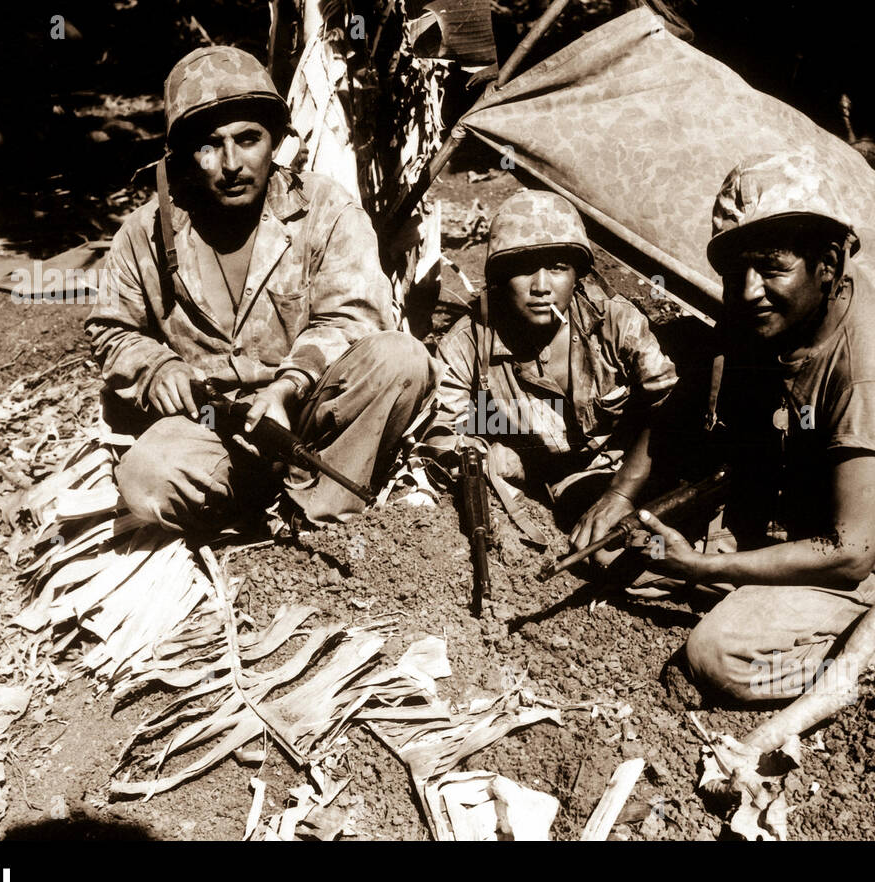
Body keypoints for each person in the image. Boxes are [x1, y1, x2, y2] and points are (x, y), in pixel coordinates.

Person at [626, 152, 875, 701]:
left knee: (719, 658)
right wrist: (618, 491)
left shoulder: (868, 370)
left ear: (828, 264)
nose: (748, 291)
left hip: (864, 557)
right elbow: (688, 397)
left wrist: (701, 565)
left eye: (772, 268)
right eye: (734, 272)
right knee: (624, 551)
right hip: (788, 509)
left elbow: (850, 552)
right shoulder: (784, 311)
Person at [86, 46, 436, 532]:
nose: (231, 163)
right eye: (210, 145)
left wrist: (287, 387)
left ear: (273, 141)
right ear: (186, 154)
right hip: (208, 421)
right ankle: (241, 508)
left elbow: (354, 317)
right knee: (148, 480)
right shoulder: (145, 232)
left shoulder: (324, 209)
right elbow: (110, 329)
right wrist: (155, 367)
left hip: (308, 414)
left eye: (248, 139)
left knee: (401, 358)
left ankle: (321, 513)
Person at [423, 190, 678, 545]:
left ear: (578, 275)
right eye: (524, 269)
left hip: (640, 469)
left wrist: (624, 491)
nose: (541, 287)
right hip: (563, 485)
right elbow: (439, 433)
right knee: (614, 552)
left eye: (557, 268)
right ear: (499, 278)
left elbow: (671, 405)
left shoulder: (615, 323)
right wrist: (497, 458)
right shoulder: (468, 344)